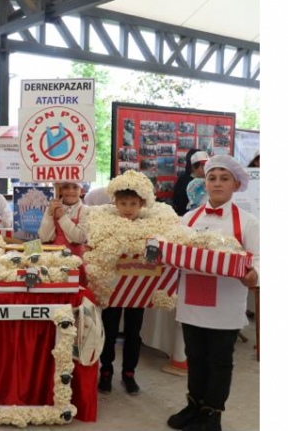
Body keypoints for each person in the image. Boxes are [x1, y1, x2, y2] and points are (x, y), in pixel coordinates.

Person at [167, 155, 259, 431]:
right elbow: (175, 251)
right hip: (192, 301)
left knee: (219, 360)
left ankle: (212, 413)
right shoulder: (188, 218)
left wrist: (254, 274)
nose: (217, 183)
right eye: (212, 178)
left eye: (224, 178)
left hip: (225, 305)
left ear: (236, 184)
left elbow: (260, 259)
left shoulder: (249, 222)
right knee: (194, 356)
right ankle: (194, 405)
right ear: (204, 183)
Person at [97, 173, 155, 396]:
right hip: (112, 285)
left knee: (133, 331)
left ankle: (129, 373)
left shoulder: (149, 225)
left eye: (133, 204)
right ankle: (106, 371)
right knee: (109, 330)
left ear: (141, 204)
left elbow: (155, 255)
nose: (128, 208)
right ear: (115, 203)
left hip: (138, 286)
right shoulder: (105, 224)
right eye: (123, 203)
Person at [38, 181, 89, 256]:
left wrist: (62, 217)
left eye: (75, 187)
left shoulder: (85, 210)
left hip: (76, 258)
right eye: (66, 187)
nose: (71, 191)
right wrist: (49, 214)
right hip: (53, 257)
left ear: (82, 191)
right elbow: (44, 238)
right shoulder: (51, 207)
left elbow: (80, 238)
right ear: (60, 190)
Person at [172, 150, 208, 216]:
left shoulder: (210, 180)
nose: (206, 170)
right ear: (193, 167)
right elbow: (179, 203)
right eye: (203, 167)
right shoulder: (183, 181)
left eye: (208, 166)